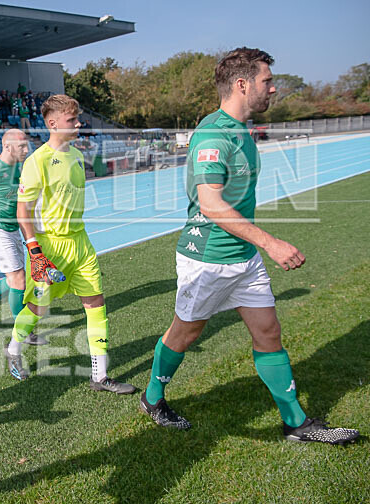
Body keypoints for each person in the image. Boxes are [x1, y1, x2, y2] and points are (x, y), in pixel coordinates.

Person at [139, 48, 359, 445]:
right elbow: (210, 204)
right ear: (242, 84)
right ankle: (152, 398)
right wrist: (270, 242)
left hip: (243, 257)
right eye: (267, 81)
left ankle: (296, 424)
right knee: (185, 334)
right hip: (208, 258)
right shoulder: (212, 134)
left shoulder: (241, 129)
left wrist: (257, 246)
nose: (273, 88)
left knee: (268, 332)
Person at [5, 94, 136, 395]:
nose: (78, 123)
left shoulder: (77, 155)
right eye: (70, 120)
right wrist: (35, 251)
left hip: (81, 242)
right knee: (38, 307)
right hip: (49, 246)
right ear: (52, 123)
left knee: (96, 304)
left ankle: (100, 376)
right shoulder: (37, 161)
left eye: (77, 118)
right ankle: (14, 349)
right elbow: (22, 211)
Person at [0, 129, 45, 340]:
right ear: (7, 146)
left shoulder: (17, 168)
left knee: (16, 278)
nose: (26, 149)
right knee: (19, 279)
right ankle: (22, 330)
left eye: (26, 145)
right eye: (21, 146)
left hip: (14, 228)